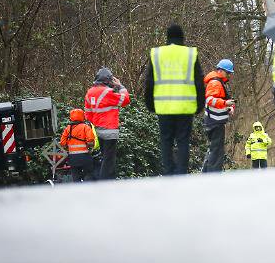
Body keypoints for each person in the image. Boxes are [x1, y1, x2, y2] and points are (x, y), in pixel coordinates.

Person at [142, 23, 203, 175]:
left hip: (164, 106)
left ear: (167, 37)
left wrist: (150, 103)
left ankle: (169, 172)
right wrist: (200, 104)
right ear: (182, 37)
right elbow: (199, 81)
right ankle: (181, 172)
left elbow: (149, 81)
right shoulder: (190, 54)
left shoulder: (157, 54)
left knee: (166, 140)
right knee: (183, 141)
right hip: (185, 106)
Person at [84, 67, 130, 180]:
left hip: (98, 130)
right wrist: (120, 86)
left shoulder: (89, 93)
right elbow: (125, 100)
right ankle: (106, 184)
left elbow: (88, 114)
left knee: (105, 157)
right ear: (108, 80)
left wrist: (98, 123)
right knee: (109, 160)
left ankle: (107, 181)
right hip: (110, 131)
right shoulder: (107, 92)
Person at [202, 59, 236, 173]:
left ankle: (206, 173)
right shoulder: (215, 83)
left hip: (214, 121)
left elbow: (221, 100)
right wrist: (226, 104)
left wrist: (229, 107)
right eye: (228, 73)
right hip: (214, 122)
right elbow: (210, 100)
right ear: (221, 71)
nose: (229, 75)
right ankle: (213, 175)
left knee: (213, 149)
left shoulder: (218, 82)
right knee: (216, 151)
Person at [59, 108, 99, 182]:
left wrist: (68, 149)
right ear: (82, 116)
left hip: (73, 158)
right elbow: (90, 141)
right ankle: (88, 189)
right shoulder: (85, 127)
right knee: (88, 174)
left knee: (76, 176)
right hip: (85, 157)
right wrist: (90, 148)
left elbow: (62, 143)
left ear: (71, 117)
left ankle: (78, 191)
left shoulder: (68, 129)